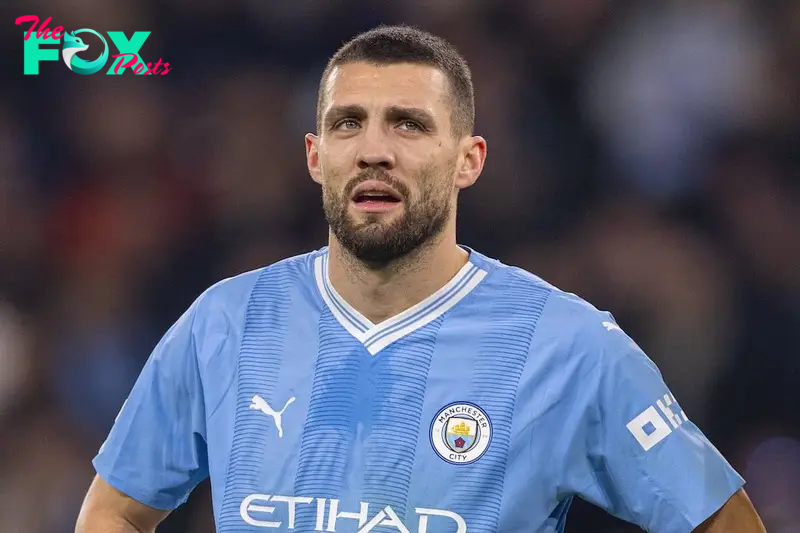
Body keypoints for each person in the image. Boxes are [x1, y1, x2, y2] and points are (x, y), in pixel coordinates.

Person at [75, 25, 766, 533]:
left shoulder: (568, 344)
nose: (375, 150)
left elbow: (725, 522)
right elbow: (115, 509)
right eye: (350, 124)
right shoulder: (226, 321)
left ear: (469, 159)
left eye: (408, 125)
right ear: (317, 157)